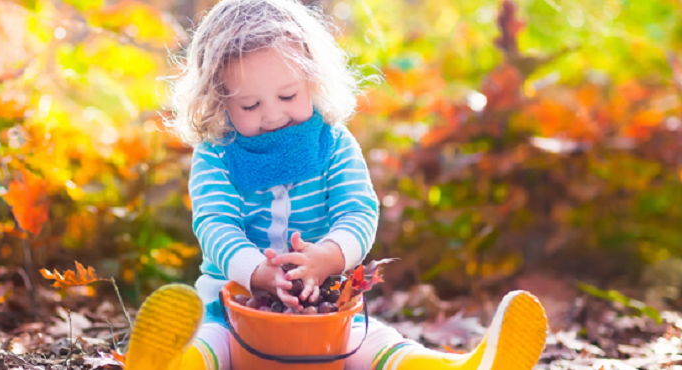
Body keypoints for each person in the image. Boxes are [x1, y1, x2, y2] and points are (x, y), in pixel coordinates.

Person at [124, 0, 548, 369]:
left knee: (370, 344)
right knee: (212, 344)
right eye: (250, 104)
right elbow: (215, 224)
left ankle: (464, 366)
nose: (272, 115)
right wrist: (258, 273)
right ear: (219, 99)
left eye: (288, 96)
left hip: (323, 308)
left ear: (313, 79)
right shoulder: (216, 154)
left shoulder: (334, 144)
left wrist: (327, 257)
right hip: (232, 307)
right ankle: (165, 363)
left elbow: (358, 210)